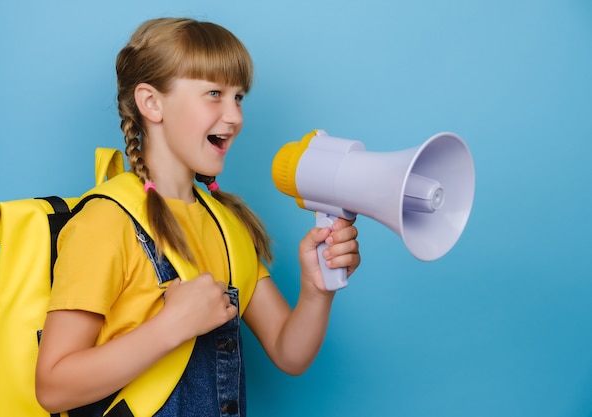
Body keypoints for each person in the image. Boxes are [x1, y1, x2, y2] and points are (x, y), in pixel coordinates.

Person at [35, 17, 360, 417]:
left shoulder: (227, 224)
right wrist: (171, 326)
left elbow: (288, 352)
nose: (235, 116)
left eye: (239, 97)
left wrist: (317, 289)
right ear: (152, 103)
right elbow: (52, 387)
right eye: (214, 93)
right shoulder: (106, 222)